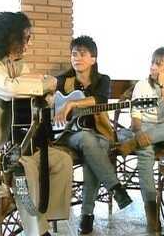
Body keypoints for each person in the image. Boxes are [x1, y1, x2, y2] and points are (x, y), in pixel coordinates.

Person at [0, 12, 73, 236]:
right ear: (7, 37)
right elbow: (9, 89)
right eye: (24, 38)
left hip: (13, 145)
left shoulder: (16, 65)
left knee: (61, 160)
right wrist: (47, 84)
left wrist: (47, 92)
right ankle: (38, 232)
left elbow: (39, 95)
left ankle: (44, 216)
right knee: (25, 169)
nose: (27, 44)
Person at [54, 35, 132, 234]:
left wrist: (73, 103)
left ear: (93, 59)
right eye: (73, 54)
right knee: (88, 141)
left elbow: (99, 100)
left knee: (93, 150)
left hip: (99, 132)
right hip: (70, 134)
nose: (76, 58)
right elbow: (50, 100)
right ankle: (114, 188)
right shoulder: (63, 81)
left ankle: (87, 216)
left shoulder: (102, 80)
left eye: (82, 54)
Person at [116, 47, 164, 233]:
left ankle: (137, 142)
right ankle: (152, 214)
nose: (153, 67)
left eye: (159, 64)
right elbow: (135, 119)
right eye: (152, 62)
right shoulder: (142, 85)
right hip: (144, 131)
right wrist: (139, 133)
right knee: (145, 151)